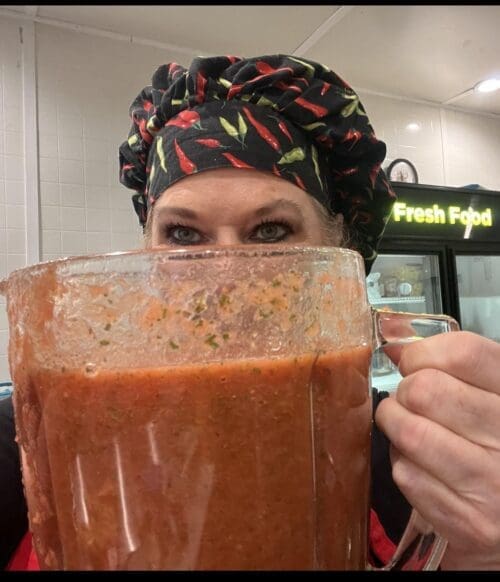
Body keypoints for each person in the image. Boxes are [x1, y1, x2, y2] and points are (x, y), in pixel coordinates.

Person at [2, 54, 500, 571]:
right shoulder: (43, 434)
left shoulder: (403, 459)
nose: (225, 278)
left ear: (338, 260)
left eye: (270, 232)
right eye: (183, 236)